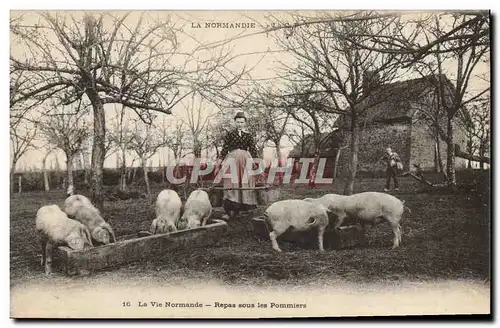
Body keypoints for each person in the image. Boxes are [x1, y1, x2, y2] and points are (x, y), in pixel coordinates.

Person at [217, 111, 259, 220]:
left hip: (245, 159)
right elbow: (225, 148)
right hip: (232, 159)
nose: (240, 124)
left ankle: (242, 208)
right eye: (238, 122)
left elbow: (253, 149)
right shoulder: (230, 134)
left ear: (245, 123)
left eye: (242, 122)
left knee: (245, 182)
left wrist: (256, 161)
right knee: (231, 182)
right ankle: (229, 210)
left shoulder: (249, 135)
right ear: (235, 122)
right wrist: (220, 160)